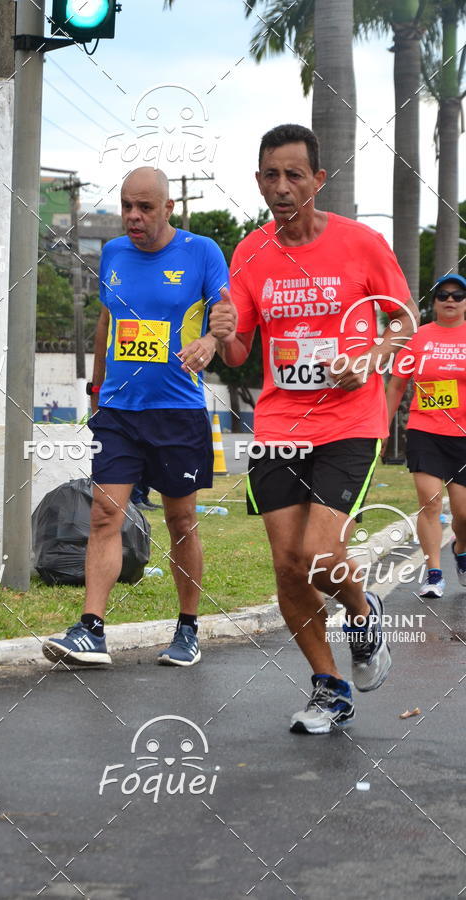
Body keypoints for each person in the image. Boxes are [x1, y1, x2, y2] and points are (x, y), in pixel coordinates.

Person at [210, 123, 418, 734]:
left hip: (350, 421)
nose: (282, 186)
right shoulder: (249, 252)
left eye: (294, 174)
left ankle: (363, 610)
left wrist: (367, 360)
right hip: (279, 423)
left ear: (318, 180)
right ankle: (329, 687)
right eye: (271, 175)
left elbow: (402, 322)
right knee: (287, 566)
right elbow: (239, 350)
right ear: (258, 181)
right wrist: (224, 330)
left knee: (322, 557)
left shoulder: (361, 244)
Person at [42, 167, 229, 668]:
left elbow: (225, 314)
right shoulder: (114, 253)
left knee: (180, 520)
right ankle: (91, 629)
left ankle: (188, 627)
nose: (133, 216)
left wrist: (211, 340)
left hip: (177, 411)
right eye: (127, 205)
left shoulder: (202, 252)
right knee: (105, 513)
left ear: (168, 209)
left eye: (145, 207)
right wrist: (96, 391)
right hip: (119, 411)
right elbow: (107, 321)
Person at [386, 274, 466, 598]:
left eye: (458, 295)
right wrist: (380, 427)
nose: (450, 299)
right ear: (433, 303)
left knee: (463, 514)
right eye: (443, 294)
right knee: (430, 502)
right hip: (425, 429)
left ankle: (459, 550)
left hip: (462, 434)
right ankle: (433, 573)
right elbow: (396, 386)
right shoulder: (418, 339)